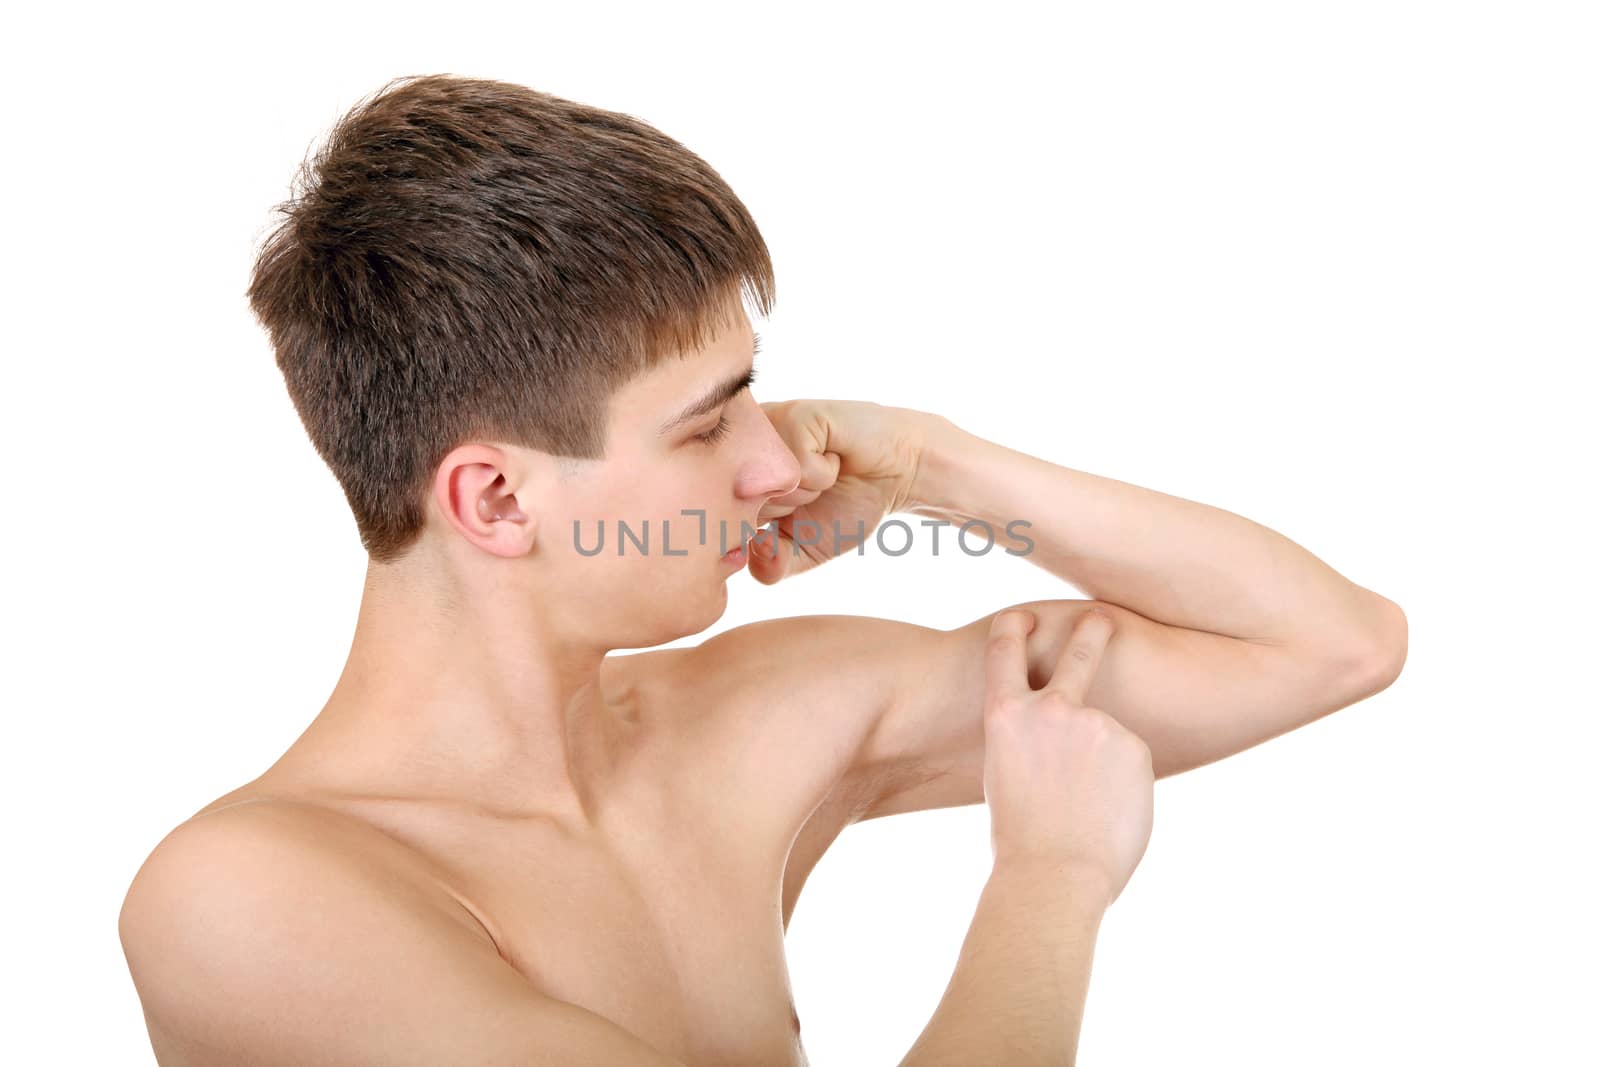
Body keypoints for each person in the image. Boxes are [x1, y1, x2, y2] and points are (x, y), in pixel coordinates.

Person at [117, 74, 1407, 1066]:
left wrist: (936, 467)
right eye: (706, 421)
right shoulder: (249, 900)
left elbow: (1331, 643)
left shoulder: (753, 717)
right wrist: (1051, 883)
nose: (779, 465)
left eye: (757, 397)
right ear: (497, 498)